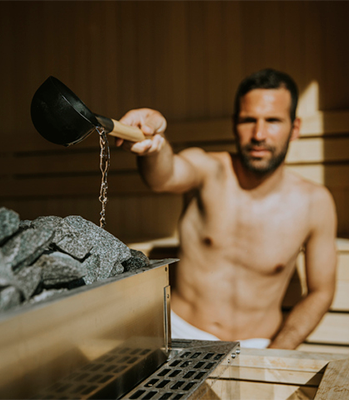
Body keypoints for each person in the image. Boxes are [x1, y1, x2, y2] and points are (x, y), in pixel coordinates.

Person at [116, 69, 337, 349]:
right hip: (181, 333)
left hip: (258, 346)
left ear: (294, 129)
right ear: (235, 124)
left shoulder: (315, 203)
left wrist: (278, 352)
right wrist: (154, 145)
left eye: (272, 121)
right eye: (248, 120)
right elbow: (165, 176)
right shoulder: (209, 170)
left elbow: (322, 291)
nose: (259, 134)